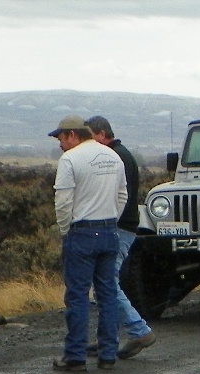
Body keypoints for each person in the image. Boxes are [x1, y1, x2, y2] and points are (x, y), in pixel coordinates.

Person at [49, 115, 128, 371]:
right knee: (107, 295)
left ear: (72, 135)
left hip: (81, 233)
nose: (59, 144)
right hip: (108, 231)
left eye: (60, 137)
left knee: (78, 296)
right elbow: (122, 194)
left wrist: (66, 230)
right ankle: (108, 354)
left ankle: (75, 356)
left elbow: (62, 202)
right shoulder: (113, 156)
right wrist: (110, 218)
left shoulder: (70, 159)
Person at [85, 115, 156, 359]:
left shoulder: (114, 157)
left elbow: (116, 195)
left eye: (91, 137)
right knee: (106, 281)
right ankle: (107, 339)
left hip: (118, 226)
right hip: (123, 225)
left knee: (107, 282)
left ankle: (139, 331)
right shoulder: (121, 154)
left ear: (102, 134)